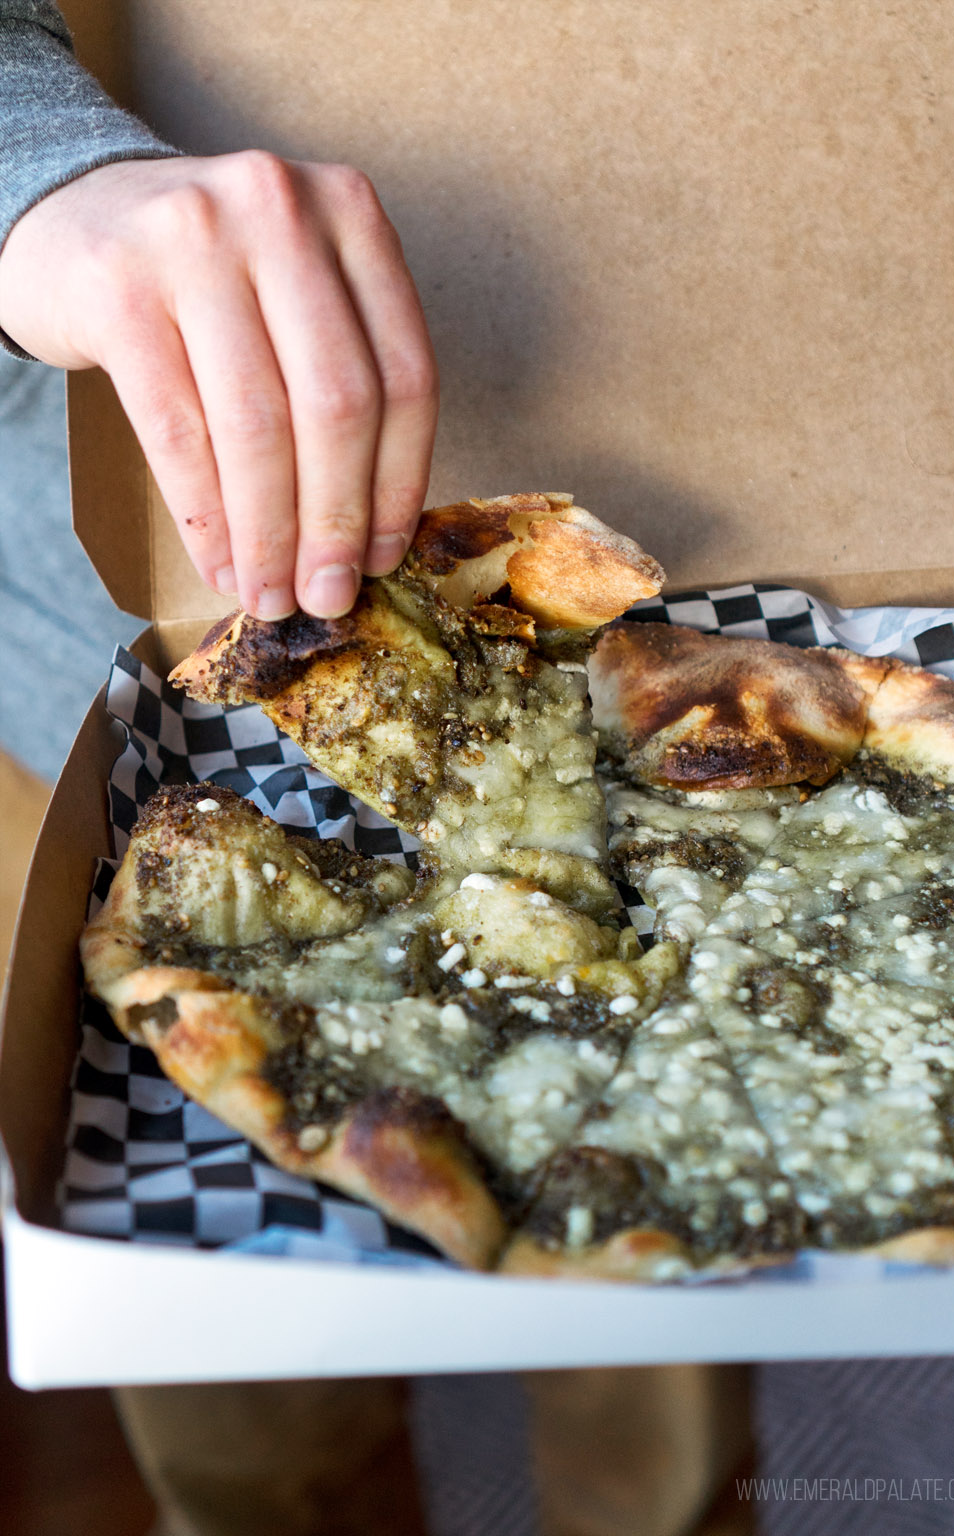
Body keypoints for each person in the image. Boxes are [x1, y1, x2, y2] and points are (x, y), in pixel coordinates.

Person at [0, 6, 750, 1536]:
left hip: (685, 699)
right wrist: (34, 178)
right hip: (97, 654)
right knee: (250, 1429)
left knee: (656, 1339)